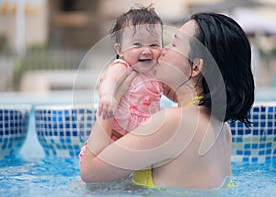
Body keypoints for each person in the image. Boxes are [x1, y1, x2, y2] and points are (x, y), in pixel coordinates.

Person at [80, 12, 255, 189]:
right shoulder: (222, 129)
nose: (161, 50)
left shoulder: (173, 122)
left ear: (195, 66)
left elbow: (90, 172)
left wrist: (114, 99)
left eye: (174, 44)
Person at [96, 6, 163, 140]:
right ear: (120, 50)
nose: (146, 51)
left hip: (145, 138)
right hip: (116, 138)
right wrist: (107, 96)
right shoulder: (123, 67)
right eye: (137, 44)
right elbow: (109, 80)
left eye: (154, 45)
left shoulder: (157, 72)